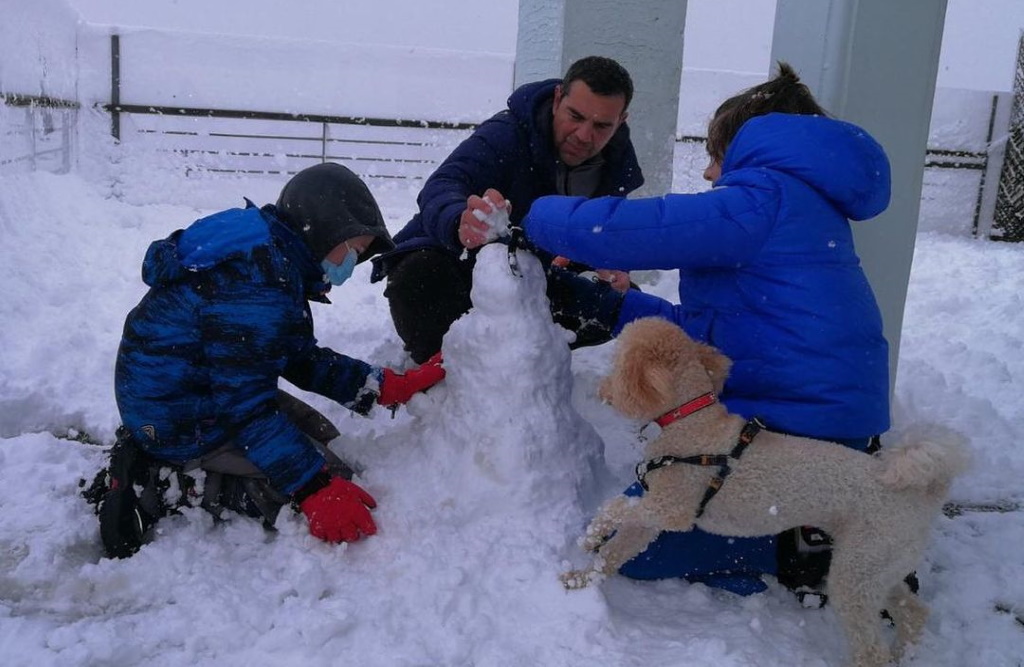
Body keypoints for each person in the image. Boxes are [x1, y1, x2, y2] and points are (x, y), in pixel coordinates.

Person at [521, 63, 892, 597]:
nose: (709, 175)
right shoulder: (800, 205)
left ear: (747, 147)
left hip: (800, 434)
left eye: (717, 157)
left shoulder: (764, 196)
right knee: (644, 519)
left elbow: (634, 232)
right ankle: (805, 517)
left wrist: (529, 213)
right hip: (817, 423)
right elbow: (710, 336)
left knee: (631, 542)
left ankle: (811, 536)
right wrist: (611, 306)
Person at [89, 163, 446, 559]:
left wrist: (381, 387)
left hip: (193, 391)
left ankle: (165, 450)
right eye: (354, 250)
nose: (350, 265)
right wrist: (311, 489)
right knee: (316, 481)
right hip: (180, 414)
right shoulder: (259, 284)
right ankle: (164, 480)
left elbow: (298, 358)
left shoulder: (271, 259)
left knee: (320, 435)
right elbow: (246, 407)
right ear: (327, 227)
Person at [370, 55, 645, 364]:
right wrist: (459, 219)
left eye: (601, 126)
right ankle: (447, 378)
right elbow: (443, 184)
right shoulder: (506, 134)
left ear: (621, 122)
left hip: (534, 280)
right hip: (458, 267)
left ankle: (528, 364)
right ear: (557, 99)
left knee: (620, 302)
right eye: (575, 116)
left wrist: (607, 269)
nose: (583, 135)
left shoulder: (615, 169)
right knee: (417, 276)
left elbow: (596, 244)